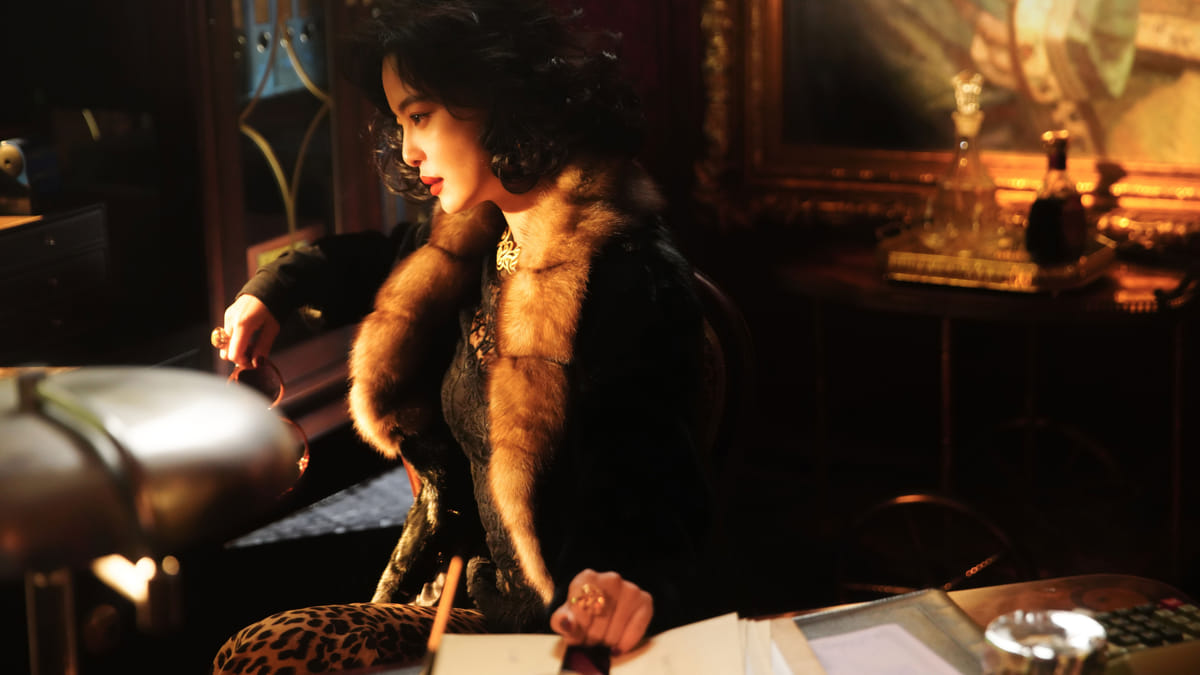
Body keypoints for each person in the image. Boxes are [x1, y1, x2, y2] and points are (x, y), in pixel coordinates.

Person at [211, 0, 717, 671]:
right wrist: (270, 292)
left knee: (264, 656)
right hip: (466, 595)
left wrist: (609, 587)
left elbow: (645, 483)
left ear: (500, 100)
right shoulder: (483, 235)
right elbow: (373, 258)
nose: (407, 149)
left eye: (420, 115)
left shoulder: (626, 277)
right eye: (399, 123)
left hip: (558, 631)